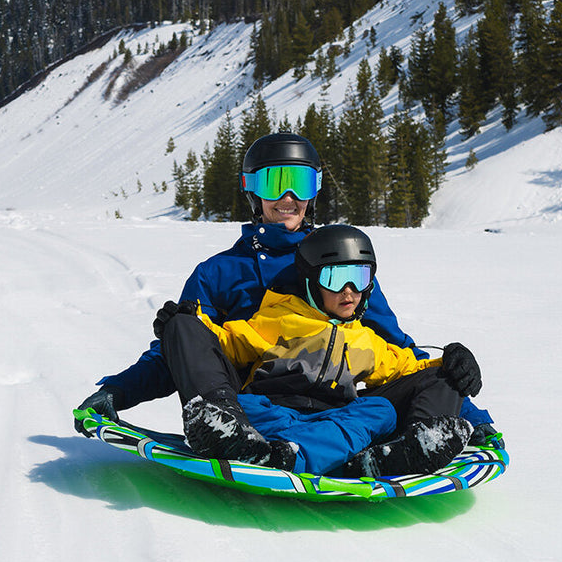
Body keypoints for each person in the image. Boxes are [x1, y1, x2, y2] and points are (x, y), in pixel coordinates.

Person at [74, 131, 494, 440]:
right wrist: (118, 392)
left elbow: (393, 347)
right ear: (253, 191)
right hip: (249, 408)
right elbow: (183, 352)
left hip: (334, 404)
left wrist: (465, 405)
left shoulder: (341, 263)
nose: (289, 197)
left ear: (315, 192)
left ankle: (425, 438)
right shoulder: (218, 272)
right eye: (276, 183)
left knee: (434, 374)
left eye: (302, 183)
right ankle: (222, 428)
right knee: (183, 326)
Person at [153, 224, 483, 478]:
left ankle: (411, 448)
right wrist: (185, 326)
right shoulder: (278, 320)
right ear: (311, 281)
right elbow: (224, 344)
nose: (349, 292)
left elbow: (410, 368)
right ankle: (223, 428)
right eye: (336, 278)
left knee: (380, 410)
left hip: (333, 422)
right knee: (198, 345)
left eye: (359, 277)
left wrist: (452, 364)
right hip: (270, 415)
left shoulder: (366, 340)